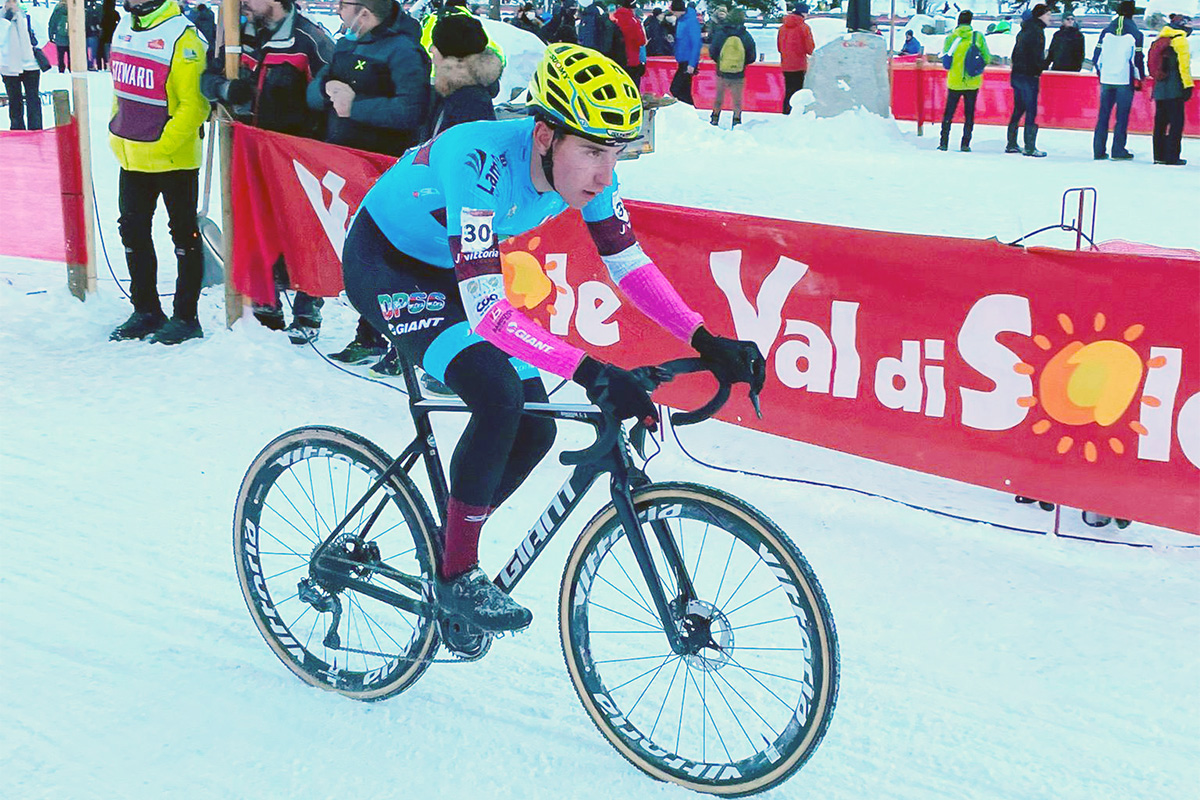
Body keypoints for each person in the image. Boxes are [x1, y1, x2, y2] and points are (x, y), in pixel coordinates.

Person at [339, 43, 765, 635]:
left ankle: (451, 535)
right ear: (544, 136)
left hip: (455, 267)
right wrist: (593, 373)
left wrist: (705, 338)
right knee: (497, 397)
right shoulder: (476, 156)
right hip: (388, 264)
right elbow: (489, 313)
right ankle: (457, 572)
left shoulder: (589, 177)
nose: (603, 172)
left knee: (536, 425)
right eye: (591, 151)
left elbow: (628, 264)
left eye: (614, 153)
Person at [203, 0, 334, 342]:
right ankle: (265, 301)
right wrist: (224, 88)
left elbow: (331, 93)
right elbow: (208, 77)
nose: (242, 3)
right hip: (246, 153)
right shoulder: (235, 33)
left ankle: (308, 309)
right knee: (256, 225)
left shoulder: (310, 40)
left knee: (302, 231)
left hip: (296, 155)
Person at [313, 0, 431, 365]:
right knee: (360, 255)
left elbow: (413, 110)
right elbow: (317, 90)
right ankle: (369, 335)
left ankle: (404, 342)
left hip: (385, 171)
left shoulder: (405, 50)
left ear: (364, 12)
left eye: (343, 5)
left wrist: (357, 106)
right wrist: (325, 91)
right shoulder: (347, 43)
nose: (337, 12)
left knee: (392, 259)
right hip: (344, 167)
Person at [106, 0, 210, 344]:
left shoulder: (184, 36)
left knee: (183, 236)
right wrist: (115, 129)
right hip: (132, 154)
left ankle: (186, 317)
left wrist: (162, 145)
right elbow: (119, 89)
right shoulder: (124, 26)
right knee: (132, 232)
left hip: (173, 159)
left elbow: (195, 105)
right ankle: (146, 309)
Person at [1092, 0, 1144, 160]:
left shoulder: (1106, 31)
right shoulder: (1136, 34)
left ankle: (1098, 150)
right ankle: (1118, 149)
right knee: (1121, 117)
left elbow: (1096, 57)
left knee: (1103, 115)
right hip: (1124, 80)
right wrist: (1140, 77)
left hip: (1107, 79)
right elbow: (1137, 60)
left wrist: (1101, 73)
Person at [939, 10, 990, 151]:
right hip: (972, 82)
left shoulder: (951, 38)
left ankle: (943, 142)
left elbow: (946, 62)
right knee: (969, 114)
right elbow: (987, 57)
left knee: (949, 113)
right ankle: (965, 144)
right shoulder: (977, 37)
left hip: (954, 82)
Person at [1007, 3, 1050, 157]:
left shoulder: (1024, 30)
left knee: (1018, 109)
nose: (1050, 18)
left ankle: (1011, 142)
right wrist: (1041, 67)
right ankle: (1030, 146)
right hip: (1029, 76)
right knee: (1031, 110)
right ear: (1040, 15)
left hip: (1017, 74)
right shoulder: (1037, 32)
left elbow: (1015, 53)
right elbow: (1035, 57)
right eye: (1048, 15)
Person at [1150, 9, 1193, 166]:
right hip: (1174, 88)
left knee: (1160, 123)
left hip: (1160, 88)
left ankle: (1158, 155)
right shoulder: (1180, 40)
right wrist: (1188, 86)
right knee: (1176, 123)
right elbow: (1184, 67)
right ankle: (1172, 156)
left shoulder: (1161, 37)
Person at [708, 4, 755, 127]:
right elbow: (752, 56)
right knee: (737, 100)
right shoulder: (745, 35)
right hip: (738, 73)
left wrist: (720, 61)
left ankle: (715, 118)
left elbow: (713, 51)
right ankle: (736, 120)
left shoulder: (721, 32)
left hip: (722, 72)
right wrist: (742, 63)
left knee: (719, 97)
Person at [1, 0, 43, 131]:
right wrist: (7, 20)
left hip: (31, 65)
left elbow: (42, 35)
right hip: (9, 67)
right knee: (14, 100)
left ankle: (36, 129)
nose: (11, 4)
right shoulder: (2, 22)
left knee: (33, 99)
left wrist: (34, 47)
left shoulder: (27, 17)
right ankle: (17, 129)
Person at [777, 2, 815, 115]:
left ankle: (786, 111)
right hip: (799, 65)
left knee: (788, 89)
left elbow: (779, 47)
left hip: (786, 64)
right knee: (798, 91)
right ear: (803, 13)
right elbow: (810, 49)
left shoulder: (782, 28)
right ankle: (795, 114)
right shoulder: (804, 27)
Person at [668, 0, 699, 104]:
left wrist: (692, 64)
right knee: (684, 91)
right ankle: (688, 112)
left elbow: (696, 44)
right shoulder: (681, 20)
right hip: (682, 59)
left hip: (687, 61)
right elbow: (681, 39)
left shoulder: (691, 22)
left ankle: (688, 111)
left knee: (676, 89)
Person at [611, 0, 646, 85]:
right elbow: (641, 41)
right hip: (632, 58)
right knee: (633, 83)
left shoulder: (613, 19)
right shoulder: (633, 21)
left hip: (615, 58)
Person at [97, 0, 120, 71]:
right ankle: (108, 65)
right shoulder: (115, 13)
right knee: (109, 51)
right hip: (112, 34)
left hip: (103, 35)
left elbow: (101, 24)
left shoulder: (102, 13)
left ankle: (101, 66)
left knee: (101, 51)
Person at [48, 0, 69, 71]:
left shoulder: (57, 11)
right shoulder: (72, 10)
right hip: (71, 38)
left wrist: (51, 36)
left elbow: (51, 24)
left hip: (59, 37)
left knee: (60, 56)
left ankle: (61, 69)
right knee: (71, 56)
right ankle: (71, 68)